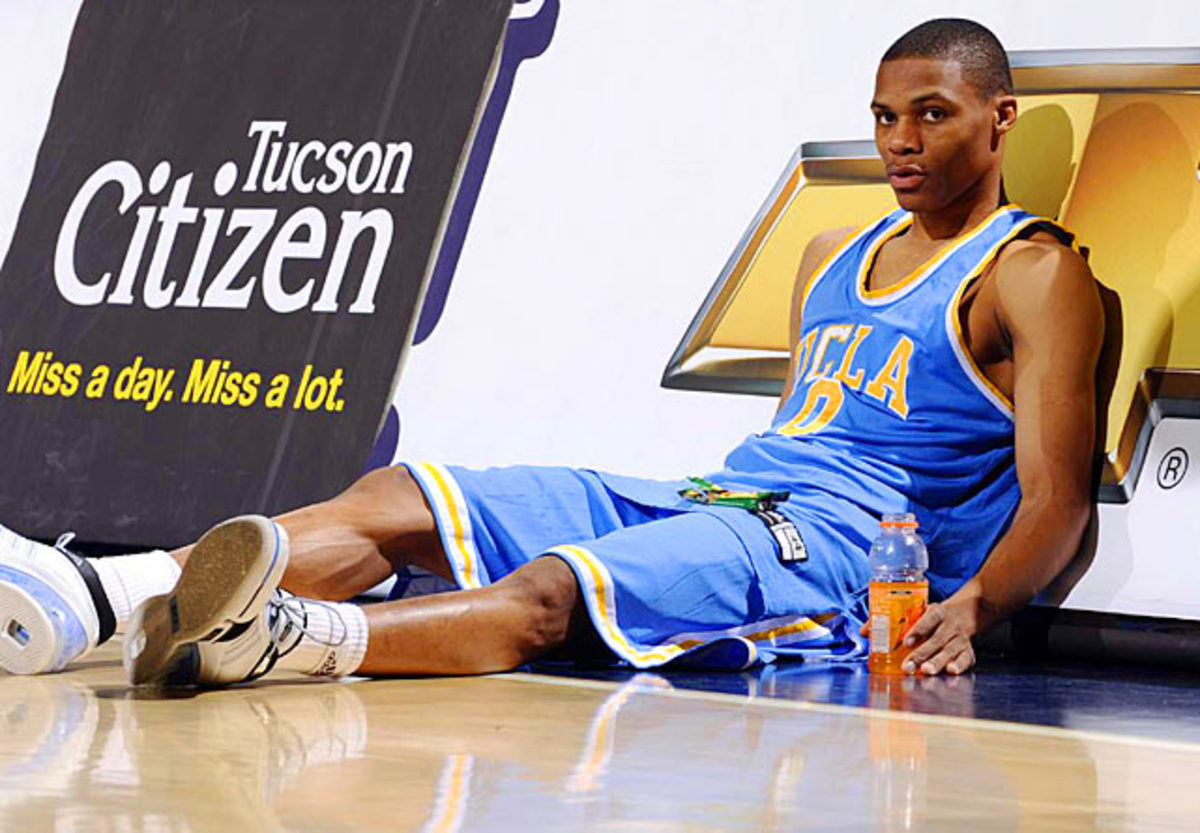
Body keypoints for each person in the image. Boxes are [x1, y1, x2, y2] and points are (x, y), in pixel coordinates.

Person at [0, 17, 1103, 685]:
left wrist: (975, 605)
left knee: (554, 588)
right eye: (885, 116)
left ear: (1001, 118)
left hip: (843, 550)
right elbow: (799, 434)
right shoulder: (831, 253)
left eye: (932, 115)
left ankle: (294, 639)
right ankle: (97, 596)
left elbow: (1058, 500)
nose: (902, 141)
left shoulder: (1032, 271)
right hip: (729, 492)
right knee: (403, 495)